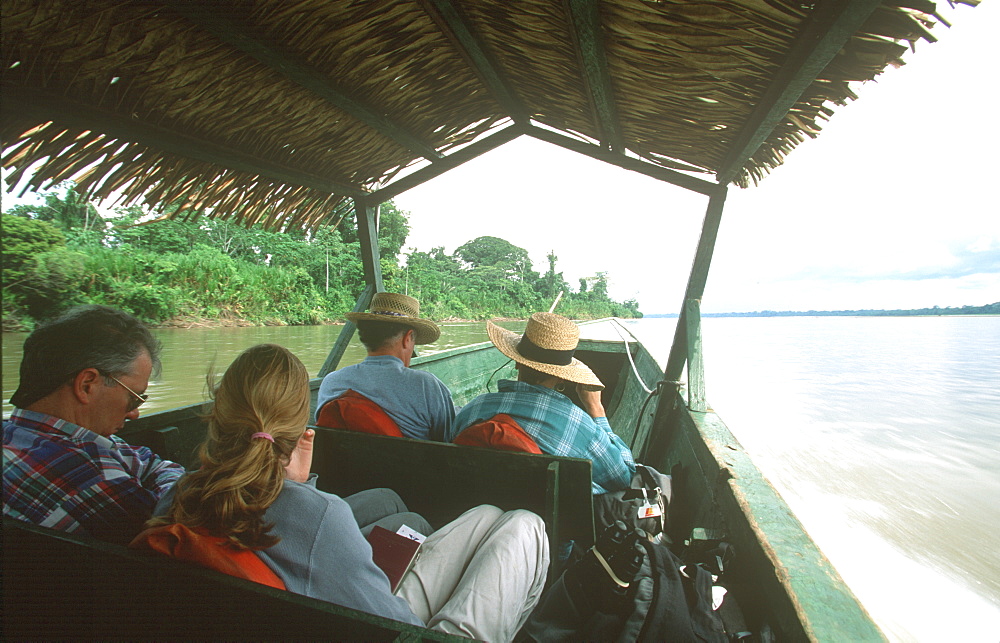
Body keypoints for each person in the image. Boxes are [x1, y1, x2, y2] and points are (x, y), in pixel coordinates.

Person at [150, 344, 548, 641]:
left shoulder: (179, 495)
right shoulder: (317, 514)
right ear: (299, 427)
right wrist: (299, 489)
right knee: (524, 526)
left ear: (217, 416)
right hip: (394, 628)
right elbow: (395, 625)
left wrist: (295, 486)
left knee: (487, 516)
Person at [3, 305, 184, 544]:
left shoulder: (16, 435)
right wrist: (170, 487)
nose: (134, 413)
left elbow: (150, 463)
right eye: (134, 398)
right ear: (87, 384)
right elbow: (178, 520)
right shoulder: (93, 480)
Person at [447, 312, 636, 495]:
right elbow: (623, 476)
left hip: (474, 503)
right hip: (548, 522)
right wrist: (597, 411)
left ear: (517, 363)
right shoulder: (577, 423)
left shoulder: (473, 409)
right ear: (562, 378)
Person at [316, 292, 455, 440]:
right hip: (406, 462)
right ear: (407, 339)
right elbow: (447, 443)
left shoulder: (331, 382)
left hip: (339, 463)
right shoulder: (426, 385)